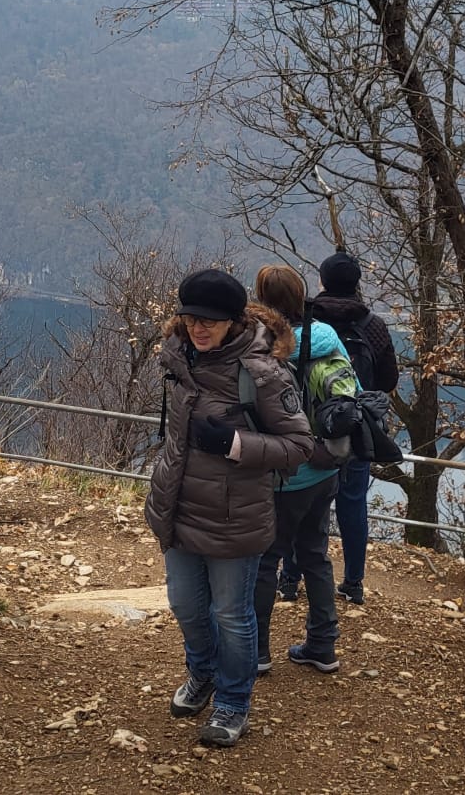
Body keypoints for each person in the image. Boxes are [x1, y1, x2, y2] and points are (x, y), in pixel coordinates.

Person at [146, 269, 313, 749]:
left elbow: (301, 445)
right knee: (185, 606)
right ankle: (202, 674)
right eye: (191, 318)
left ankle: (233, 702)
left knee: (231, 616)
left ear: (233, 320)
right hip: (178, 507)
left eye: (211, 321)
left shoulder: (261, 373)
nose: (199, 328)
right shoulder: (179, 358)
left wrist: (234, 444)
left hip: (235, 517)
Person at [251, 264, 359, 678]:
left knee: (265, 561)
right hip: (326, 467)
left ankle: (257, 650)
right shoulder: (326, 337)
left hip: (284, 474)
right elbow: (352, 394)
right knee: (315, 556)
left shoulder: (264, 348)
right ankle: (322, 646)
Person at [306, 250, 400, 607]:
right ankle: (353, 583)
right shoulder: (372, 324)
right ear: (357, 283)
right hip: (357, 428)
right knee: (353, 505)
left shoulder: (308, 319)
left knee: (307, 503)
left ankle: (290, 578)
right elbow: (388, 380)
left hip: (312, 427)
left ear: (322, 281)